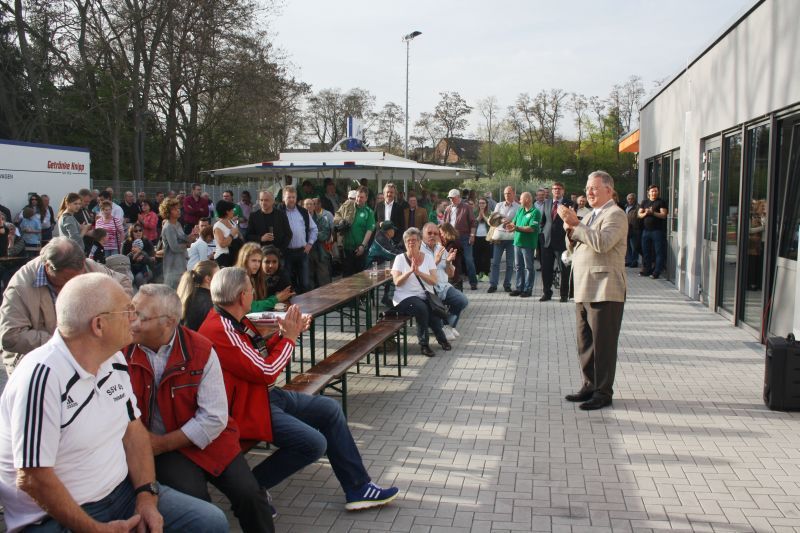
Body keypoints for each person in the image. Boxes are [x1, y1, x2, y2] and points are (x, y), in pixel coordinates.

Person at [0, 273, 228, 532]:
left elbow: (134, 433)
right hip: (56, 516)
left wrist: (146, 496)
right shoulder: (40, 378)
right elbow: (32, 478)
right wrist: (95, 529)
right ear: (98, 326)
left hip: (123, 492)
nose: (134, 319)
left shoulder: (114, 361)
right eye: (127, 311)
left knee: (211, 521)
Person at [198, 267, 400, 511]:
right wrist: (289, 339)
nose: (253, 294)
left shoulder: (231, 320)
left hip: (262, 396)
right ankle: (251, 489)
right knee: (313, 443)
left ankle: (358, 487)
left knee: (329, 409)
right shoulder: (221, 329)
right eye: (251, 290)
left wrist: (286, 333)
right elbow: (267, 371)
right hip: (245, 408)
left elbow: (256, 356)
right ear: (242, 296)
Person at [127, 284, 276, 532]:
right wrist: (149, 445)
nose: (131, 321)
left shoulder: (200, 348)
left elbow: (214, 419)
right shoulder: (121, 351)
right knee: (198, 507)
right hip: (163, 451)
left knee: (252, 496)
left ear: (169, 322)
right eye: (130, 312)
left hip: (207, 440)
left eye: (140, 316)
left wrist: (158, 444)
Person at [0, 237, 133, 374]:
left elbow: (123, 283)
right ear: (48, 268)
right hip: (35, 363)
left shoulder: (87, 266)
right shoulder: (20, 286)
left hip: (83, 356)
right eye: (65, 280)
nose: (71, 286)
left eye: (77, 279)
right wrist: (66, 342)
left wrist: (110, 313)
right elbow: (10, 336)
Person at [559, 171, 627, 411]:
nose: (589, 192)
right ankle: (589, 384)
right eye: (588, 188)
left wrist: (576, 224)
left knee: (603, 345)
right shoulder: (589, 215)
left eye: (594, 188)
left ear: (609, 189)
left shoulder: (616, 214)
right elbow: (577, 245)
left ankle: (603, 391)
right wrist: (570, 227)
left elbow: (602, 243)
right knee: (585, 343)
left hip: (605, 289)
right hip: (584, 288)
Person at [391, 227, 451, 357]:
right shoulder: (399, 259)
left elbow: (434, 281)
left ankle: (442, 339)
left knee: (432, 312)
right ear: (405, 243)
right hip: (404, 297)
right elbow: (397, 282)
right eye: (408, 241)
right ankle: (424, 344)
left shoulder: (428, 258)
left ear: (419, 242)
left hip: (424, 295)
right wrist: (410, 272)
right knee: (422, 308)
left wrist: (419, 273)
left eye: (414, 240)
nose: (411, 243)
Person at [421, 223, 468, 341]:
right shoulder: (419, 250)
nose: (432, 236)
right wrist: (435, 261)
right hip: (428, 288)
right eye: (429, 233)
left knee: (462, 300)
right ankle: (444, 327)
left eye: (435, 233)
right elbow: (418, 273)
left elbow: (450, 274)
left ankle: (448, 326)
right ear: (423, 235)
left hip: (443, 286)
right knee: (436, 305)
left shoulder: (440, 248)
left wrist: (447, 262)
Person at [278, 186, 317, 293]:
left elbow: (314, 229)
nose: (291, 199)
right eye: (288, 197)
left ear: (296, 198)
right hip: (286, 253)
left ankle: (305, 308)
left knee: (305, 283)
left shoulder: (303, 212)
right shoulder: (278, 212)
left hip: (302, 252)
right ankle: (291, 308)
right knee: (287, 284)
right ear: (283, 198)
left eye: (293, 197)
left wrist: (310, 244)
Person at [540, 182, 575, 302]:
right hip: (547, 241)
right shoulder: (547, 203)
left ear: (563, 191)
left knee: (564, 269)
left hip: (563, 242)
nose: (556, 191)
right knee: (546, 269)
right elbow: (543, 221)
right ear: (551, 191)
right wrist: (542, 232)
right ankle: (547, 293)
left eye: (559, 189)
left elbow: (572, 223)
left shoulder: (570, 204)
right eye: (554, 189)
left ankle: (564, 295)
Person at [235, 242, 293, 312]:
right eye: (254, 260)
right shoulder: (237, 278)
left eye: (259, 261)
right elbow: (251, 307)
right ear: (244, 260)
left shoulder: (256, 278)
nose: (257, 264)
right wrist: (275, 299)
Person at [505, 192, 541, 298]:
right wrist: (508, 224)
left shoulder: (535, 212)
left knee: (528, 267)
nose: (519, 201)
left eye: (520, 199)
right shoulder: (520, 210)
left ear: (527, 200)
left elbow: (531, 228)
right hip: (517, 242)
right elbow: (514, 223)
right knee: (518, 266)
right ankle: (519, 288)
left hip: (528, 244)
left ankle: (528, 289)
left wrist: (516, 228)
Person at [443, 189, 478, 290]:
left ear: (458, 197)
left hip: (465, 236)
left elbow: (473, 222)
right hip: (452, 238)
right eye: (450, 198)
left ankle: (473, 282)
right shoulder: (448, 209)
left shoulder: (467, 207)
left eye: (453, 198)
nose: (451, 200)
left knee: (468, 260)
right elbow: (445, 225)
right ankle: (453, 282)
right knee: (453, 261)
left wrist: (472, 235)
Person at [488, 186, 520, 293]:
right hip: (499, 237)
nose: (507, 195)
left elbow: (519, 221)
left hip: (511, 238)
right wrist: (501, 219)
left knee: (510, 263)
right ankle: (493, 285)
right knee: (496, 262)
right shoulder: (499, 205)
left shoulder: (518, 207)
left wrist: (511, 221)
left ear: (514, 194)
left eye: (509, 193)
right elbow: (494, 218)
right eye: (505, 193)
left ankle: (507, 284)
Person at [160, 198, 196, 289]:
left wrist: (191, 237)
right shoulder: (169, 227)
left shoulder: (178, 224)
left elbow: (183, 238)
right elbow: (174, 247)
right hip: (173, 267)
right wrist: (187, 244)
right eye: (174, 209)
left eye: (178, 208)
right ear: (168, 211)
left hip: (182, 263)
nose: (178, 210)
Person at [339, 186, 374, 277]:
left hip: (360, 249)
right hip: (347, 248)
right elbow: (337, 216)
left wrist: (363, 246)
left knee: (360, 278)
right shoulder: (348, 207)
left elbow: (369, 230)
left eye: (361, 197)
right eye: (358, 196)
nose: (359, 199)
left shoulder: (369, 212)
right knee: (346, 278)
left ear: (366, 198)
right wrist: (340, 221)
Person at [246, 190, 292, 255]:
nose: (263, 202)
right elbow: (248, 236)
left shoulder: (281, 215)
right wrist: (261, 238)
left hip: (278, 254)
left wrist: (281, 250)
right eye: (261, 200)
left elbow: (288, 234)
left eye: (266, 200)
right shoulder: (254, 216)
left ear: (273, 201)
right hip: (260, 254)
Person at [177, 260, 218, 331]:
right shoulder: (209, 301)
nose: (220, 278)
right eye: (218, 275)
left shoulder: (189, 294)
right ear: (208, 279)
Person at [638, 184, 668, 279]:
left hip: (657, 231)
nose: (654, 193)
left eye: (655, 191)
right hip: (646, 231)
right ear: (648, 192)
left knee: (659, 252)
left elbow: (663, 215)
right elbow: (639, 215)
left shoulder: (661, 202)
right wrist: (646, 213)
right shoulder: (644, 202)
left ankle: (656, 272)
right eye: (652, 191)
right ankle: (647, 270)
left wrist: (653, 213)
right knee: (646, 251)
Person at [305, 198, 332, 288]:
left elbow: (325, 235)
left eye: (311, 204)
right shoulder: (301, 220)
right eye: (306, 204)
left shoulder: (321, 219)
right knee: (308, 277)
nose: (309, 206)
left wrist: (311, 234)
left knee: (324, 278)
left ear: (314, 206)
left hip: (320, 251)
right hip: (306, 252)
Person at [213, 199, 240, 267]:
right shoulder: (218, 226)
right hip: (223, 258)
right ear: (227, 212)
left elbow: (238, 237)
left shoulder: (232, 223)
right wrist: (232, 234)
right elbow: (222, 244)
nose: (233, 211)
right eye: (232, 210)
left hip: (234, 257)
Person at [473, 197, 492, 282]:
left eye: (483, 203)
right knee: (477, 256)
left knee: (486, 257)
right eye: (480, 203)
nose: (481, 205)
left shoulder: (490, 212)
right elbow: (472, 223)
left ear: (486, 204)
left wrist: (483, 216)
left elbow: (491, 223)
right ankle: (477, 273)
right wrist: (478, 217)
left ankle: (485, 274)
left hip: (486, 237)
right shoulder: (474, 212)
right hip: (476, 237)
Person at [625, 193, 642, 268]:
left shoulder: (638, 207)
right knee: (628, 246)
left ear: (635, 199)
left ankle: (634, 261)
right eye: (629, 199)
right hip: (627, 228)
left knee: (634, 246)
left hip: (635, 229)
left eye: (632, 198)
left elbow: (639, 218)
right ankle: (629, 261)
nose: (630, 200)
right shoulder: (626, 207)